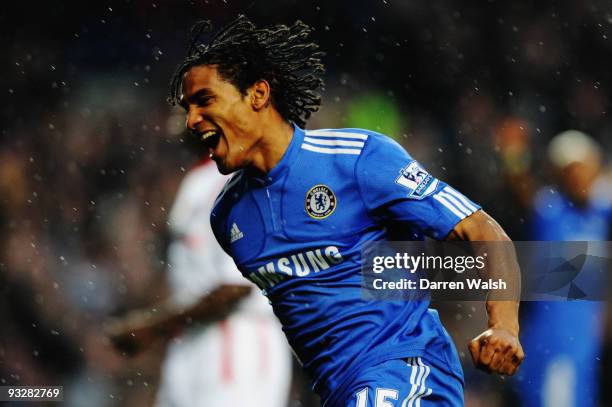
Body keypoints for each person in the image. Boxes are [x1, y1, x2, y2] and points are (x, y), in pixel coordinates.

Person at [168, 16, 524, 406]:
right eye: (188, 108)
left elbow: (481, 229)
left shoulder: (355, 159)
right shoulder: (229, 218)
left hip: (405, 369)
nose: (192, 120)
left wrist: (503, 326)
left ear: (258, 94)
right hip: (340, 394)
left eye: (204, 101)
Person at [107, 157, 292, 407]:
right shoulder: (199, 180)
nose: (183, 119)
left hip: (237, 342)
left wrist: (154, 327)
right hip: (193, 341)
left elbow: (237, 288)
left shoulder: (239, 178)